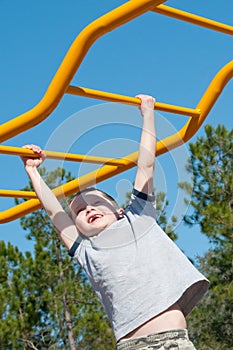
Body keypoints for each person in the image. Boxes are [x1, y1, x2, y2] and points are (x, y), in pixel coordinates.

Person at [21, 95, 209, 350]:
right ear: (77, 227)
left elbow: (146, 163)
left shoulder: (138, 218)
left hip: (173, 341)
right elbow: (56, 213)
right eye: (79, 211)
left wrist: (148, 113)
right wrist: (33, 172)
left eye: (95, 203)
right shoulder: (87, 250)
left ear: (119, 210)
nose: (88, 210)